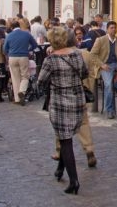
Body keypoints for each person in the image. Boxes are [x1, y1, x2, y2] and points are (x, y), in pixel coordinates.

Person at [37, 27, 88, 195]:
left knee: (65, 141)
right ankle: (60, 170)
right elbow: (84, 73)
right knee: (65, 136)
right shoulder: (77, 55)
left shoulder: (50, 60)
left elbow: (40, 82)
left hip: (60, 103)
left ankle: (74, 181)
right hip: (77, 101)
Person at [51, 29, 98, 168]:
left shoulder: (59, 56)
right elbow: (91, 74)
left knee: (62, 125)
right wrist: (88, 87)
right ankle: (89, 150)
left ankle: (59, 151)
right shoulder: (85, 54)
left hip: (64, 95)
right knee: (83, 123)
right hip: (80, 95)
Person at [90, 21, 117, 119]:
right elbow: (92, 55)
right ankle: (109, 110)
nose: (114, 29)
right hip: (106, 66)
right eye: (112, 28)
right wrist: (102, 65)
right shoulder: (100, 40)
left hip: (116, 64)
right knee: (108, 85)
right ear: (107, 29)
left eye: (115, 28)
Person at [3, 19, 38, 106]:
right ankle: (22, 91)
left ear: (11, 27)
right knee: (25, 76)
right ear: (19, 26)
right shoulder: (26, 34)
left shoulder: (9, 35)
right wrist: (28, 49)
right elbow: (35, 44)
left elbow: (4, 49)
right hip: (23, 56)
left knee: (15, 78)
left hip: (12, 57)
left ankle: (17, 99)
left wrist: (9, 53)